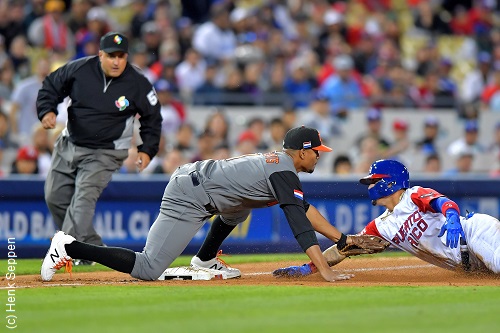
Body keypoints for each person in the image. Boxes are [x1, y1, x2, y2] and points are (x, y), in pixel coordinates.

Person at [41, 126, 357, 283]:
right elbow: (298, 221)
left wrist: (342, 240)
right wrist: (325, 269)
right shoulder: (284, 170)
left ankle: (205, 260)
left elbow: (303, 210)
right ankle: (69, 247)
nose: (320, 155)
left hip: (200, 183)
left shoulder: (281, 165)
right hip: (189, 195)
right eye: (317, 150)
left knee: (240, 207)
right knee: (149, 268)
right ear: (302, 152)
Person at [36, 32, 162, 252]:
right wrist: (47, 110)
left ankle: (65, 251)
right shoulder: (79, 69)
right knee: (55, 197)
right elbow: (51, 85)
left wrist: (147, 150)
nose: (116, 61)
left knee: (83, 200)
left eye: (121, 56)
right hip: (70, 143)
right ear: (100, 55)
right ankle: (91, 248)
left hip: (106, 152)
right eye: (111, 56)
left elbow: (153, 117)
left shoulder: (137, 82)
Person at [273, 159, 500, 278]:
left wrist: (452, 217)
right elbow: (345, 247)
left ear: (389, 182)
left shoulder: (412, 195)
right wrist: (309, 268)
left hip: (476, 233)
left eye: (374, 180)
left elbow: (443, 202)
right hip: (469, 262)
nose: (370, 185)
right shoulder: (380, 226)